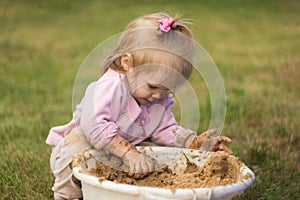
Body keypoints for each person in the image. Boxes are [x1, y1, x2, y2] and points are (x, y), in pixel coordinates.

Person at [46, 12, 232, 200]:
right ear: (128, 64)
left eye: (167, 90)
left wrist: (192, 142)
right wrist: (128, 153)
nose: (159, 95)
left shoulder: (157, 97)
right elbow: (95, 126)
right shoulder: (110, 86)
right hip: (86, 142)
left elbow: (165, 129)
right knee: (73, 153)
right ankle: (66, 196)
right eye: (153, 87)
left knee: (154, 158)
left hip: (123, 151)